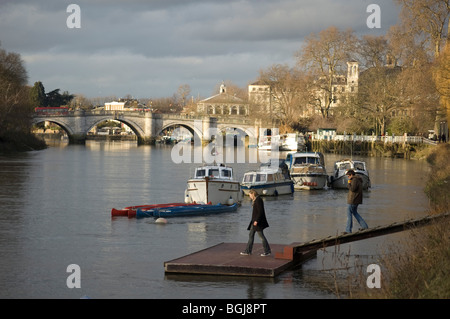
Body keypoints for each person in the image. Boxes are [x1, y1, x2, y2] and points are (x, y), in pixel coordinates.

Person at [241, 189, 271, 256]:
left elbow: (260, 212)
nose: (250, 197)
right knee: (251, 235)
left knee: (261, 236)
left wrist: (256, 221)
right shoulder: (256, 200)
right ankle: (248, 251)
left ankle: (267, 251)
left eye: (250, 195)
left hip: (257, 222)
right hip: (254, 221)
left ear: (253, 194)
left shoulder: (258, 200)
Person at [344, 169, 368, 234]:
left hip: (353, 200)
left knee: (349, 214)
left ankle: (348, 230)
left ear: (351, 175)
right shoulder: (358, 179)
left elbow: (353, 189)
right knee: (355, 213)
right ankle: (364, 226)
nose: (348, 177)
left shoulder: (354, 180)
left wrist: (349, 183)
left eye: (348, 176)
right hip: (356, 199)